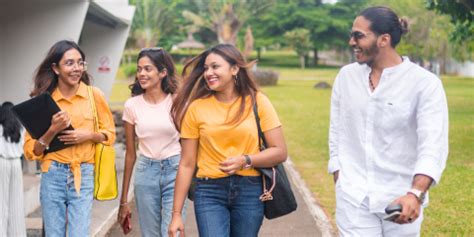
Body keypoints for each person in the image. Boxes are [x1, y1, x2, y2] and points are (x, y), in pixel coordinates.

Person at [328, 6, 449, 236]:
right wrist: (339, 174)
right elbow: (337, 131)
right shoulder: (346, 77)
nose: (351, 41)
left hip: (401, 200)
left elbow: (432, 145)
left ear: (384, 39)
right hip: (353, 197)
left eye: (358, 35)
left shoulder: (424, 84)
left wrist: (416, 193)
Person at [168, 44, 288, 237]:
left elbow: (280, 151)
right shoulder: (196, 108)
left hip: (250, 190)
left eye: (215, 67)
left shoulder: (258, 101)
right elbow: (187, 164)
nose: (208, 73)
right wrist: (176, 215)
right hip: (208, 191)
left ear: (234, 69)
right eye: (206, 68)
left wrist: (246, 160)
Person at [23, 40, 116, 236]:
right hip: (53, 174)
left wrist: (88, 135)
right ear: (56, 68)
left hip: (84, 173)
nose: (76, 69)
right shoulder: (43, 101)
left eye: (80, 63)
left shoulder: (94, 95)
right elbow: (32, 151)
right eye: (70, 63)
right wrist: (52, 130)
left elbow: (110, 135)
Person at [117, 47, 183, 237]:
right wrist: (123, 202)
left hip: (175, 169)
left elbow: (188, 143)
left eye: (148, 69)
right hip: (146, 172)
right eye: (139, 69)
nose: (141, 74)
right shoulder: (132, 105)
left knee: (172, 232)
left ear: (163, 72)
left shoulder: (177, 101)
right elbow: (130, 154)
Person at [0, 102, 27, 236]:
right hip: (16, 163)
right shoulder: (21, 129)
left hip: (1, 162)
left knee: (1, 201)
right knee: (16, 201)